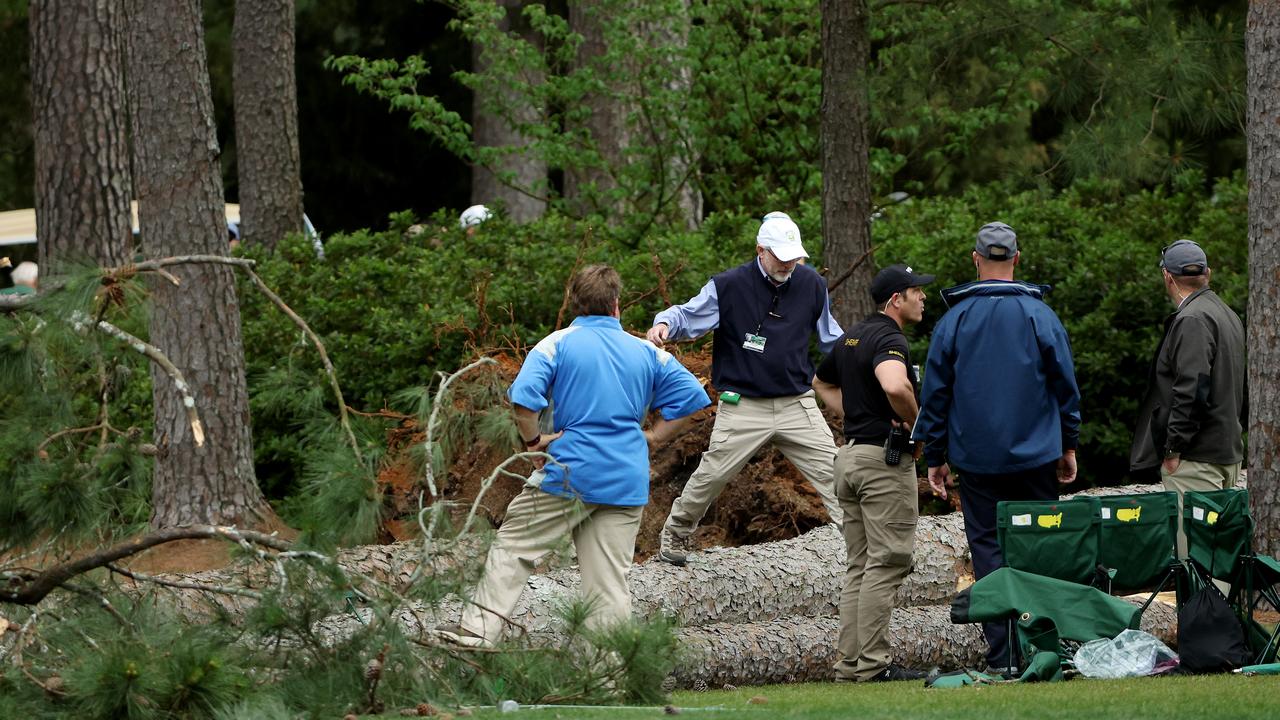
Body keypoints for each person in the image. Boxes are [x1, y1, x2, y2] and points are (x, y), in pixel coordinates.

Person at [437, 264, 709, 646]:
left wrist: (534, 444)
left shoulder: (556, 343)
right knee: (609, 583)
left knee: (514, 548)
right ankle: (610, 677)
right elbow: (693, 401)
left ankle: (478, 632)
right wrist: (654, 436)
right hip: (626, 479)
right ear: (617, 305)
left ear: (575, 304)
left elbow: (523, 402)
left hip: (570, 472)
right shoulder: (648, 353)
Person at [913, 221, 1081, 674]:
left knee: (988, 549)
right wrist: (1069, 444)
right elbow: (1066, 388)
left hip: (978, 459)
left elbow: (935, 395)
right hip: (1037, 455)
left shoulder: (954, 320)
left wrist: (935, 457)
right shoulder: (1040, 316)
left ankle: (1004, 654)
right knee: (1040, 546)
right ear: (1017, 259)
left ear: (976, 259)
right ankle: (1044, 648)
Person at [647, 211, 843, 566]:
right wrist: (664, 324)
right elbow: (688, 315)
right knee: (712, 474)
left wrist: (861, 357)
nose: (788, 265)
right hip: (743, 405)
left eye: (794, 257)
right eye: (781, 257)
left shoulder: (812, 284)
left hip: (796, 404)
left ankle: (865, 547)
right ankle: (676, 532)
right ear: (760, 251)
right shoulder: (729, 285)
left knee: (836, 472)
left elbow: (833, 338)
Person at [813, 264, 938, 683]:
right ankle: (871, 666)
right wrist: (919, 428)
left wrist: (857, 416)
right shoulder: (889, 337)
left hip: (849, 458)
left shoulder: (852, 336)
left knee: (860, 565)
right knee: (887, 563)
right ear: (895, 300)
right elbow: (895, 386)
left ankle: (849, 666)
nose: (922, 297)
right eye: (914, 291)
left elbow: (820, 382)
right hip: (882, 465)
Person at [1130, 239, 1245, 558]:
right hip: (1225, 452)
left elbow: (1192, 388)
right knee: (1217, 555)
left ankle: (1200, 610)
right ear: (1207, 273)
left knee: (1195, 556)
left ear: (1167, 277)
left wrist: (1174, 448)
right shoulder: (1227, 314)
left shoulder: (1192, 319)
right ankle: (1220, 610)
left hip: (1196, 457)